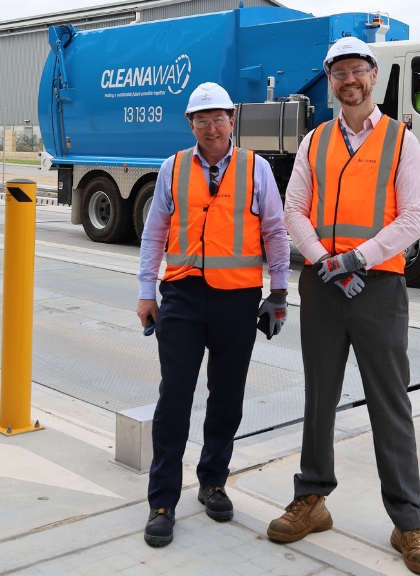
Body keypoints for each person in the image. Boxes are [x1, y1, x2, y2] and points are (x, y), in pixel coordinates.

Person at [265, 38, 420, 574]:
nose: (350, 80)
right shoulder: (315, 140)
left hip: (377, 289)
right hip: (322, 285)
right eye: (339, 72)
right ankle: (312, 499)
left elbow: (413, 217)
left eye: (358, 71)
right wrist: (323, 261)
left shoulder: (400, 141)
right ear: (330, 80)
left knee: (390, 404)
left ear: (373, 75)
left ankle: (408, 522)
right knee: (319, 397)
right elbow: (294, 209)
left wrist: (356, 260)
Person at [137, 81, 291, 547]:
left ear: (232, 121)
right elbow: (155, 232)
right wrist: (147, 292)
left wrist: (279, 293)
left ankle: (213, 482)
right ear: (190, 124)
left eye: (218, 117)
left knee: (226, 398)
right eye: (200, 119)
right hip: (182, 296)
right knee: (174, 399)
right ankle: (162, 501)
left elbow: (276, 232)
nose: (210, 126)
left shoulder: (256, 168)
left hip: (237, 300)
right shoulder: (173, 167)